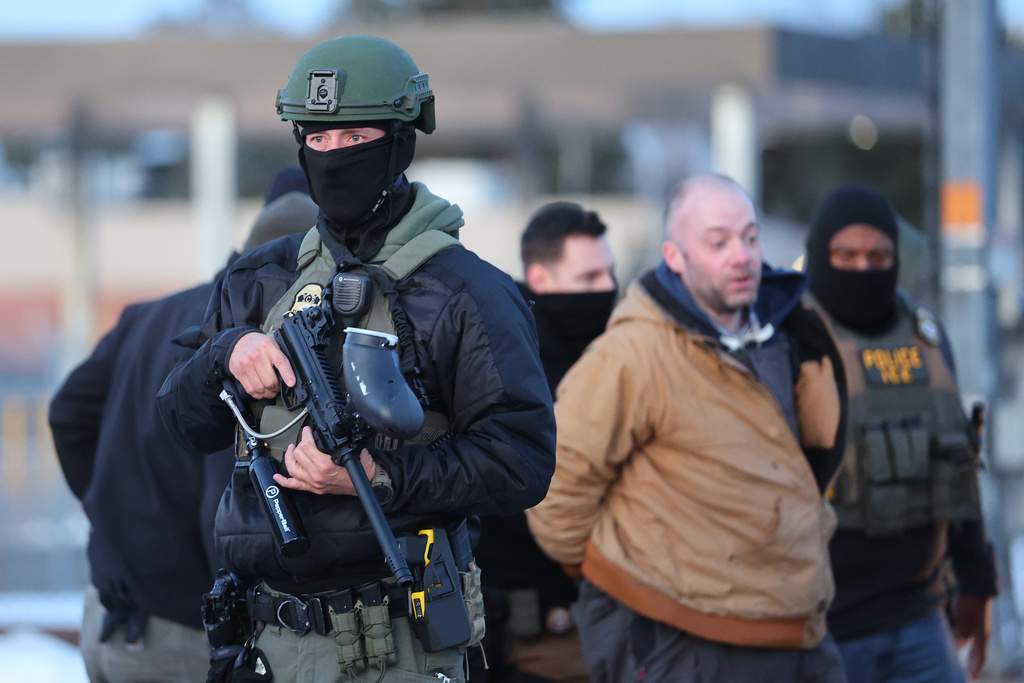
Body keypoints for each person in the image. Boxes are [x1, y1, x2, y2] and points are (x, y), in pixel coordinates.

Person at [156, 35, 555, 683]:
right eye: (317, 139)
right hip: (266, 644)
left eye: (355, 137)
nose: (334, 155)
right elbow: (180, 423)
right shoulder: (260, 279)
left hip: (399, 642)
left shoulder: (466, 291)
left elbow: (523, 462)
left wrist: (380, 475)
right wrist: (225, 355)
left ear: (401, 141)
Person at [527, 173, 851, 683]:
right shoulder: (633, 354)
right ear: (675, 257)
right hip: (684, 641)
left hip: (801, 632)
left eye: (750, 237)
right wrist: (619, 582)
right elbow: (555, 488)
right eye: (718, 242)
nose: (741, 256)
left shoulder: (792, 333)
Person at [47, 167, 318, 683]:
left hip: (108, 612)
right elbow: (226, 508)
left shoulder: (152, 315)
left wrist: (118, 520)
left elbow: (68, 415)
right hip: (184, 635)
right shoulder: (254, 342)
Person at [803, 183, 998, 683]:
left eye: (878, 254)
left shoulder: (925, 336)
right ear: (819, 255)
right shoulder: (793, 340)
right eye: (845, 255)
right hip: (824, 626)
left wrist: (977, 579)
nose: (863, 269)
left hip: (919, 616)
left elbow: (958, 467)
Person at [474, 201, 616, 683]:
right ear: (540, 278)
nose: (607, 290)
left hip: (607, 616)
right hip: (527, 631)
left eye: (609, 275)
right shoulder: (503, 360)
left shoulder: (617, 357)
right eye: (590, 278)